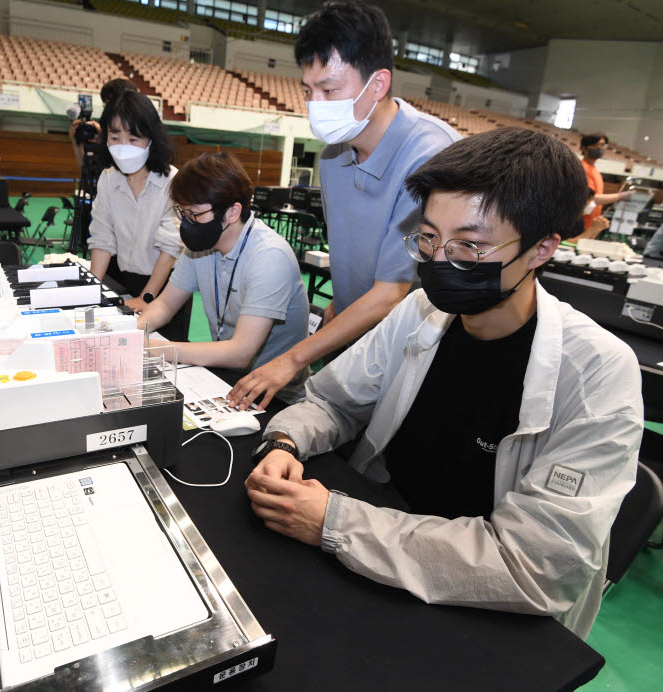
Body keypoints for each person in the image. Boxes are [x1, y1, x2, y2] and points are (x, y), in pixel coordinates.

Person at [245, 127, 642, 639]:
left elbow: (534, 567)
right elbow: (334, 403)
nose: (438, 261)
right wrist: (286, 440)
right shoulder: (420, 312)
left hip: (485, 610)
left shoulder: (597, 373)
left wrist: (336, 522)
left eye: (470, 246)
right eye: (429, 238)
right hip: (383, 540)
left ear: (542, 250)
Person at [227, 0, 459, 410]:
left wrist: (294, 357)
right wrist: (342, 303)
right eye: (308, 91)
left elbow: (392, 293)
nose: (316, 104)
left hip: (417, 350)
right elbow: (355, 255)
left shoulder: (429, 156)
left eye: (329, 90)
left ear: (378, 84)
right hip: (358, 335)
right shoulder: (333, 157)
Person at [138, 153, 310, 401]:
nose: (187, 223)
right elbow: (165, 304)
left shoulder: (270, 257)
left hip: (273, 398)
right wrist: (133, 333)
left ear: (232, 212)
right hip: (225, 378)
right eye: (182, 212)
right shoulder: (204, 244)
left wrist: (152, 349)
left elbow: (241, 352)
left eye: (194, 214)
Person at [88, 89, 190, 341]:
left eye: (134, 139)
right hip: (126, 281)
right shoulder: (108, 179)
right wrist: (89, 291)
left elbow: (169, 248)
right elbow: (102, 239)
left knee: (161, 359)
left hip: (166, 288)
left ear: (151, 139)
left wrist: (147, 297)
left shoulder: (172, 182)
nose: (123, 147)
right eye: (115, 137)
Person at [69, 78, 138, 169]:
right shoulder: (106, 134)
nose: (108, 110)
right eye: (105, 105)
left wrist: (107, 139)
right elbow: (86, 168)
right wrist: (76, 142)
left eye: (110, 104)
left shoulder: (141, 133)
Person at [579, 133, 633, 231]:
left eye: (602, 145)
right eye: (596, 145)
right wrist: (621, 196)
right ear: (584, 148)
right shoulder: (581, 168)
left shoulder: (596, 171)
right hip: (580, 223)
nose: (600, 148)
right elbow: (591, 198)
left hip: (591, 224)